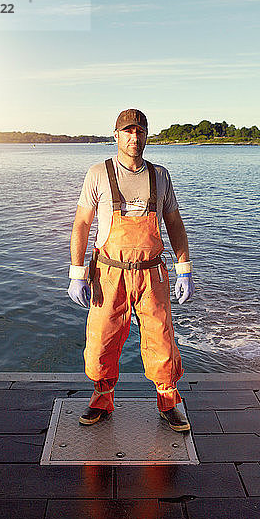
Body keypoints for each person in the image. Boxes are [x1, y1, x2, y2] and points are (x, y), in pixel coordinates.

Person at [68, 108, 195, 432]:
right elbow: (82, 223)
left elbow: (175, 223)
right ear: (116, 135)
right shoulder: (98, 173)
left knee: (162, 341)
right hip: (109, 275)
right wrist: (76, 272)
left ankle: (169, 402)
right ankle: (101, 400)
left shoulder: (160, 175)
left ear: (146, 135)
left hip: (152, 276)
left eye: (139, 131)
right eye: (128, 131)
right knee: (101, 341)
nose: (134, 137)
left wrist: (184, 268)